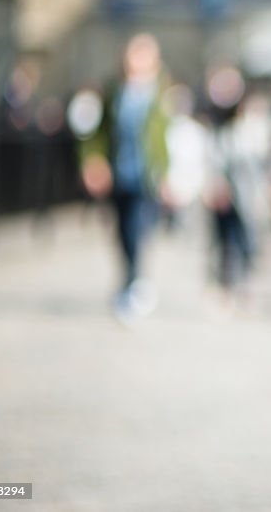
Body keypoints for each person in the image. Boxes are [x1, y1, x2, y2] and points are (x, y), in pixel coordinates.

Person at [80, 33, 169, 325]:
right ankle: (129, 280)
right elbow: (96, 130)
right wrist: (93, 160)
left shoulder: (161, 93)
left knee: (137, 229)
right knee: (121, 231)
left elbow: (168, 137)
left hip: (146, 175)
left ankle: (135, 282)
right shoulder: (114, 91)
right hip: (120, 172)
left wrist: (167, 173)